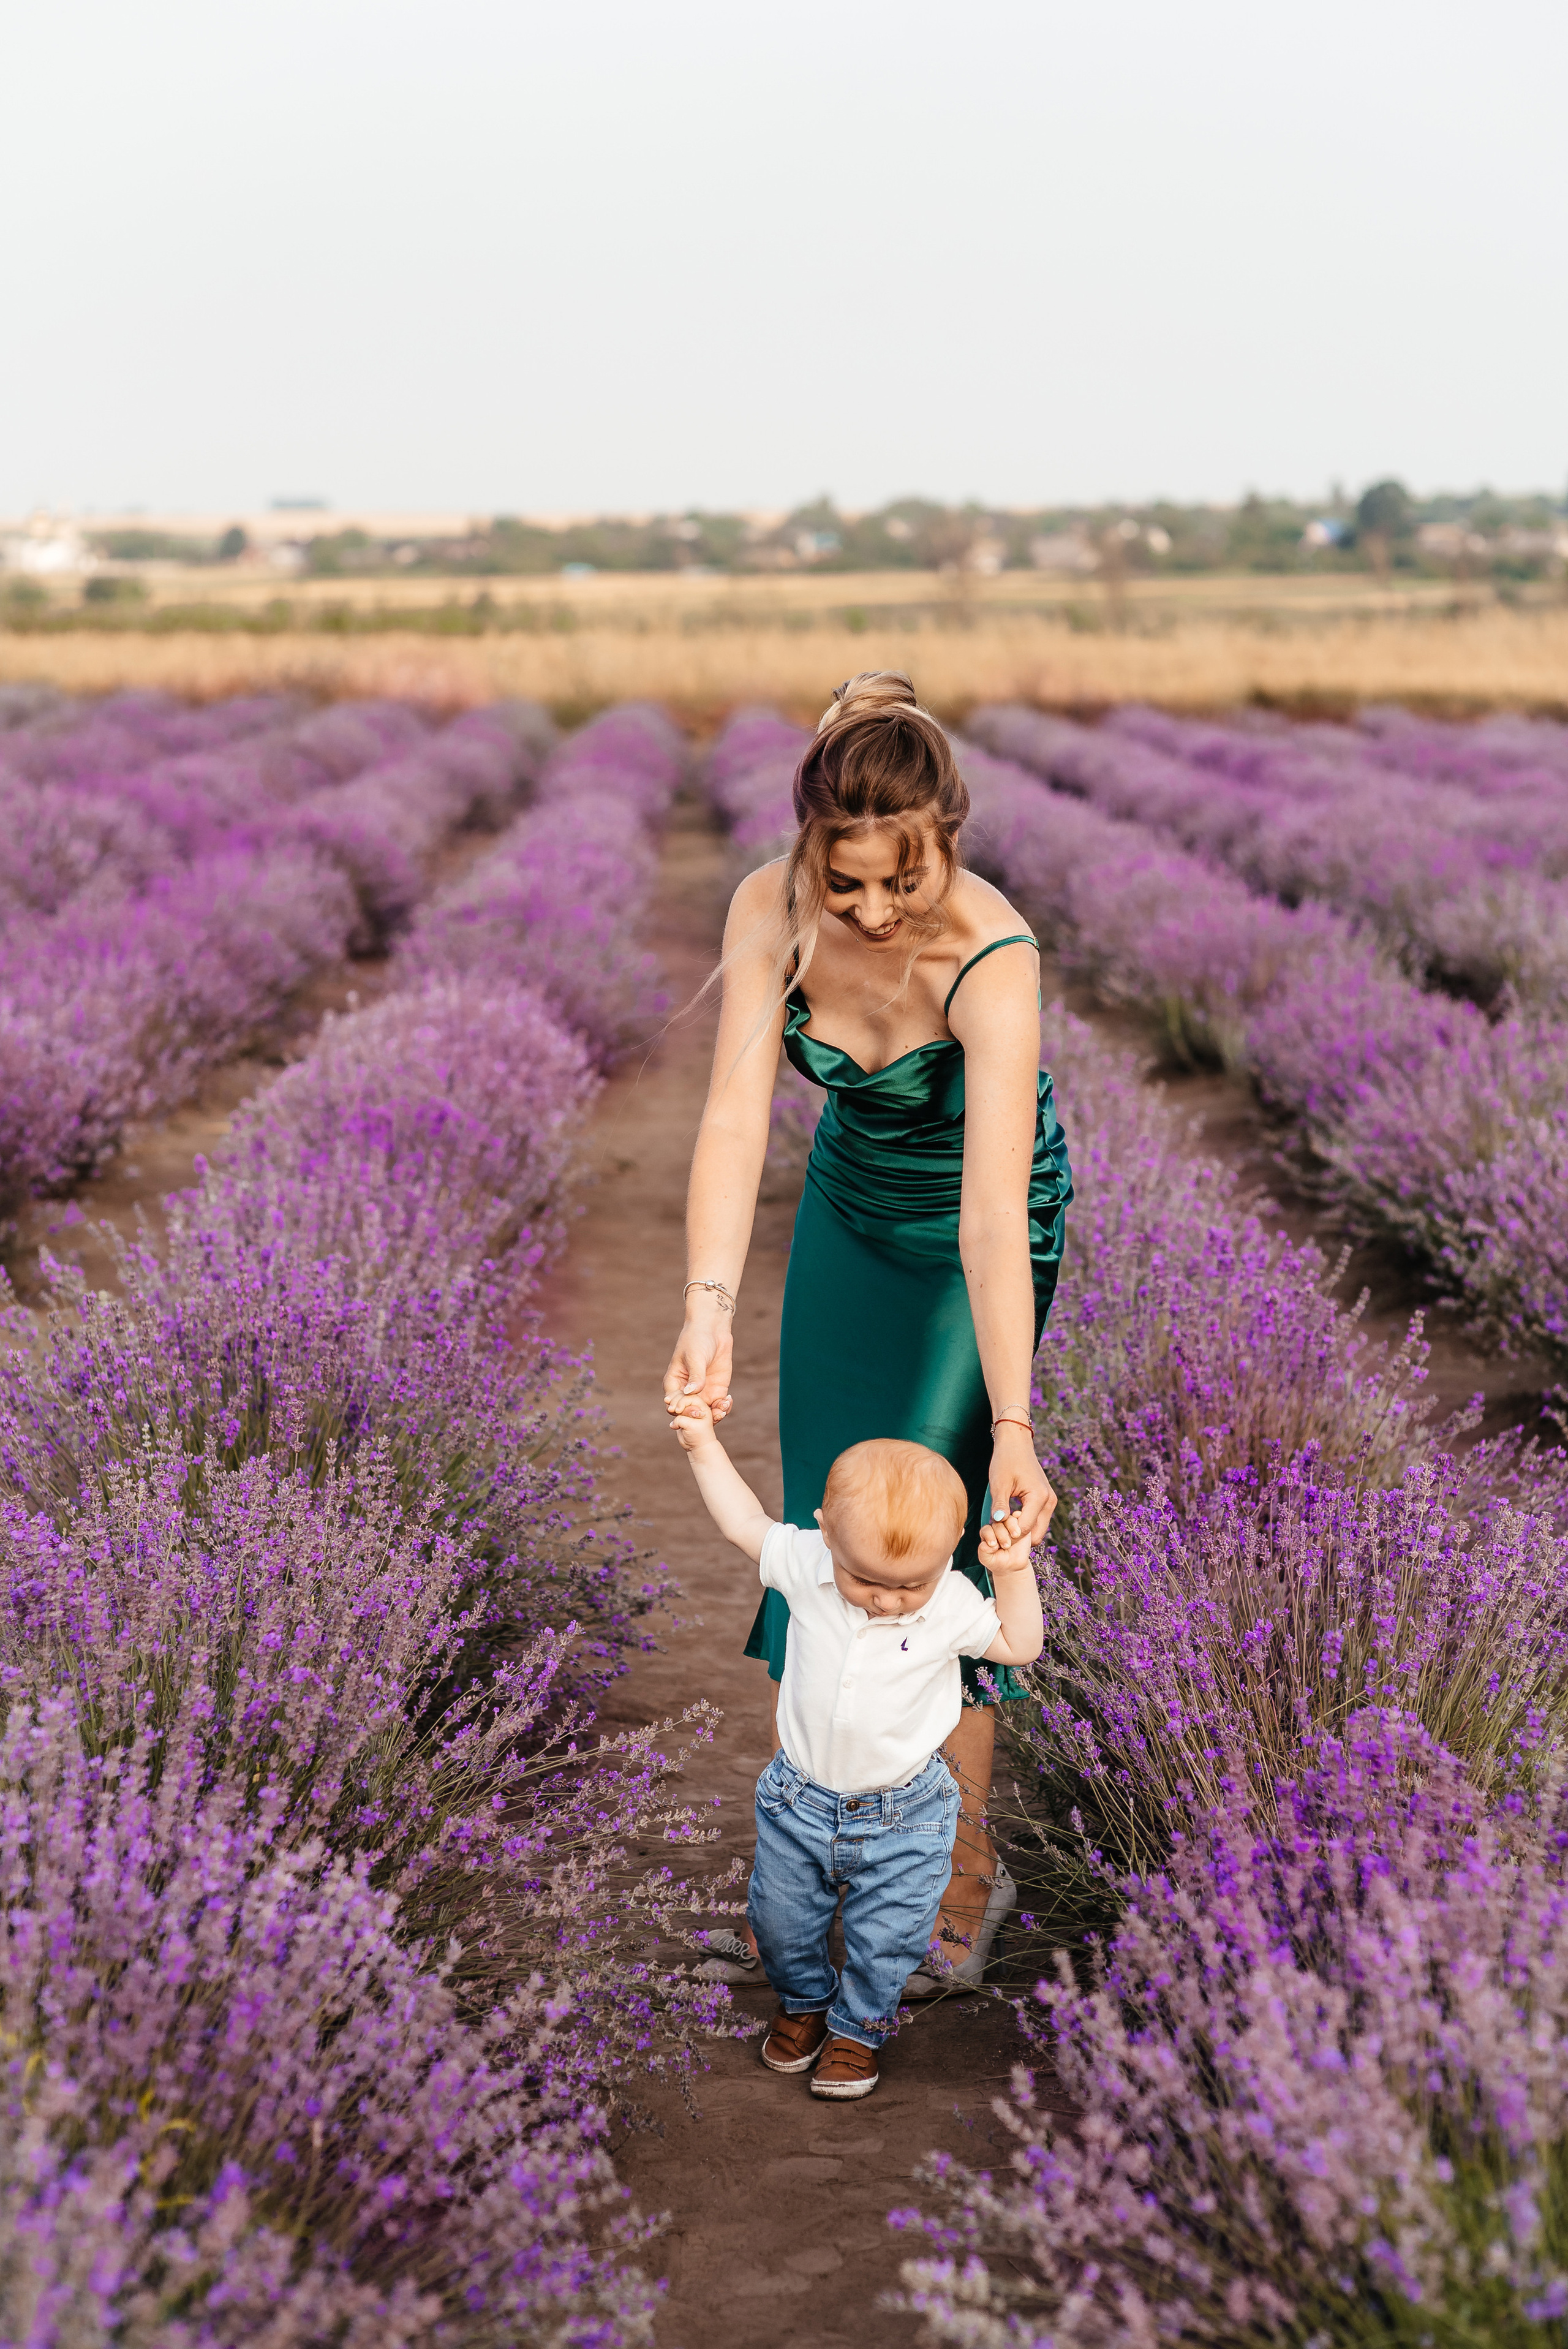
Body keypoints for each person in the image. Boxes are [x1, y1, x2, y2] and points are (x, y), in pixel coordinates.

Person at [663, 671, 1072, 1988]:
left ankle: (954, 1869)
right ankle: (825, 1853)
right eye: (844, 884)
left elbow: (989, 1216)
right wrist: (708, 1308)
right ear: (806, 848)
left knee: (933, 1537)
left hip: (973, 1244)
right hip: (848, 1216)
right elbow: (734, 1121)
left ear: (946, 835)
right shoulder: (768, 910)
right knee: (836, 1530)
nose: (874, 910)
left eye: (902, 879)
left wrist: (1011, 1423)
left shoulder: (992, 955)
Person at [671, 1402, 1046, 2095]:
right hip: (797, 1802)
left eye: (910, 1585)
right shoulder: (808, 1564)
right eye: (866, 1580)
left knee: (888, 1940)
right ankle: (805, 2005)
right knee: (782, 1923)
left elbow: (1020, 1646)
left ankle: (857, 2030)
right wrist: (700, 1442)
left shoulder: (953, 1599)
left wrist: (1014, 1570)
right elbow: (740, 1521)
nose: (888, 1602)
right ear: (826, 1535)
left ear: (952, 1548)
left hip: (906, 1812)